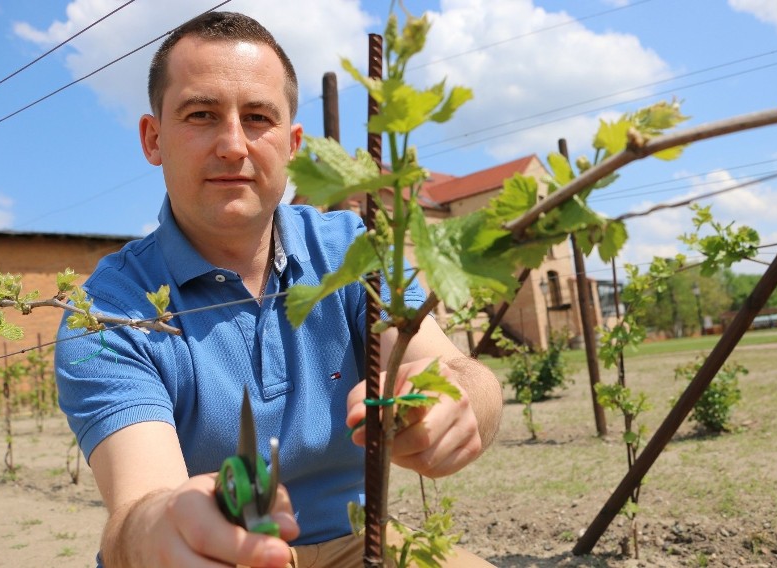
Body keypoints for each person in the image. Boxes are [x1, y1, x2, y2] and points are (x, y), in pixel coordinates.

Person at [54, 11, 502, 568]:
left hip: (358, 542)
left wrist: (457, 404)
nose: (233, 145)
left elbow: (462, 374)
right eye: (201, 114)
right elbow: (139, 504)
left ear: (291, 143)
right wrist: (164, 528)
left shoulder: (352, 249)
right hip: (217, 556)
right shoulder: (105, 311)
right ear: (153, 138)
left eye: (258, 117)